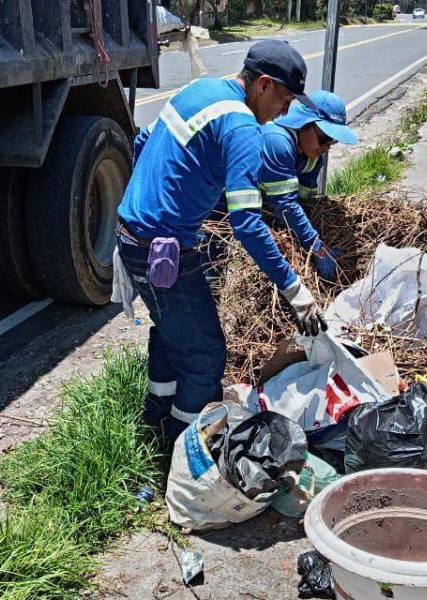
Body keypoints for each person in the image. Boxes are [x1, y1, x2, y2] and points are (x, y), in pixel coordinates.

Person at [115, 40, 327, 440]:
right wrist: (294, 290)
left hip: (133, 237)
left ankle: (156, 422)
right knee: (205, 355)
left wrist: (150, 203)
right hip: (163, 251)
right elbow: (247, 223)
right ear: (264, 85)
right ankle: (184, 451)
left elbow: (142, 142)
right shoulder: (243, 127)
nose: (285, 113)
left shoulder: (198, 90)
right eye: (284, 101)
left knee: (171, 333)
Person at [257, 90, 359, 283]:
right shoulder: (276, 142)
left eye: (332, 141)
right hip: (221, 208)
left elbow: (304, 202)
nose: (327, 147)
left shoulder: (314, 159)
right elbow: (286, 206)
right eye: (324, 138)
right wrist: (317, 248)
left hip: (268, 209)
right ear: (303, 124)